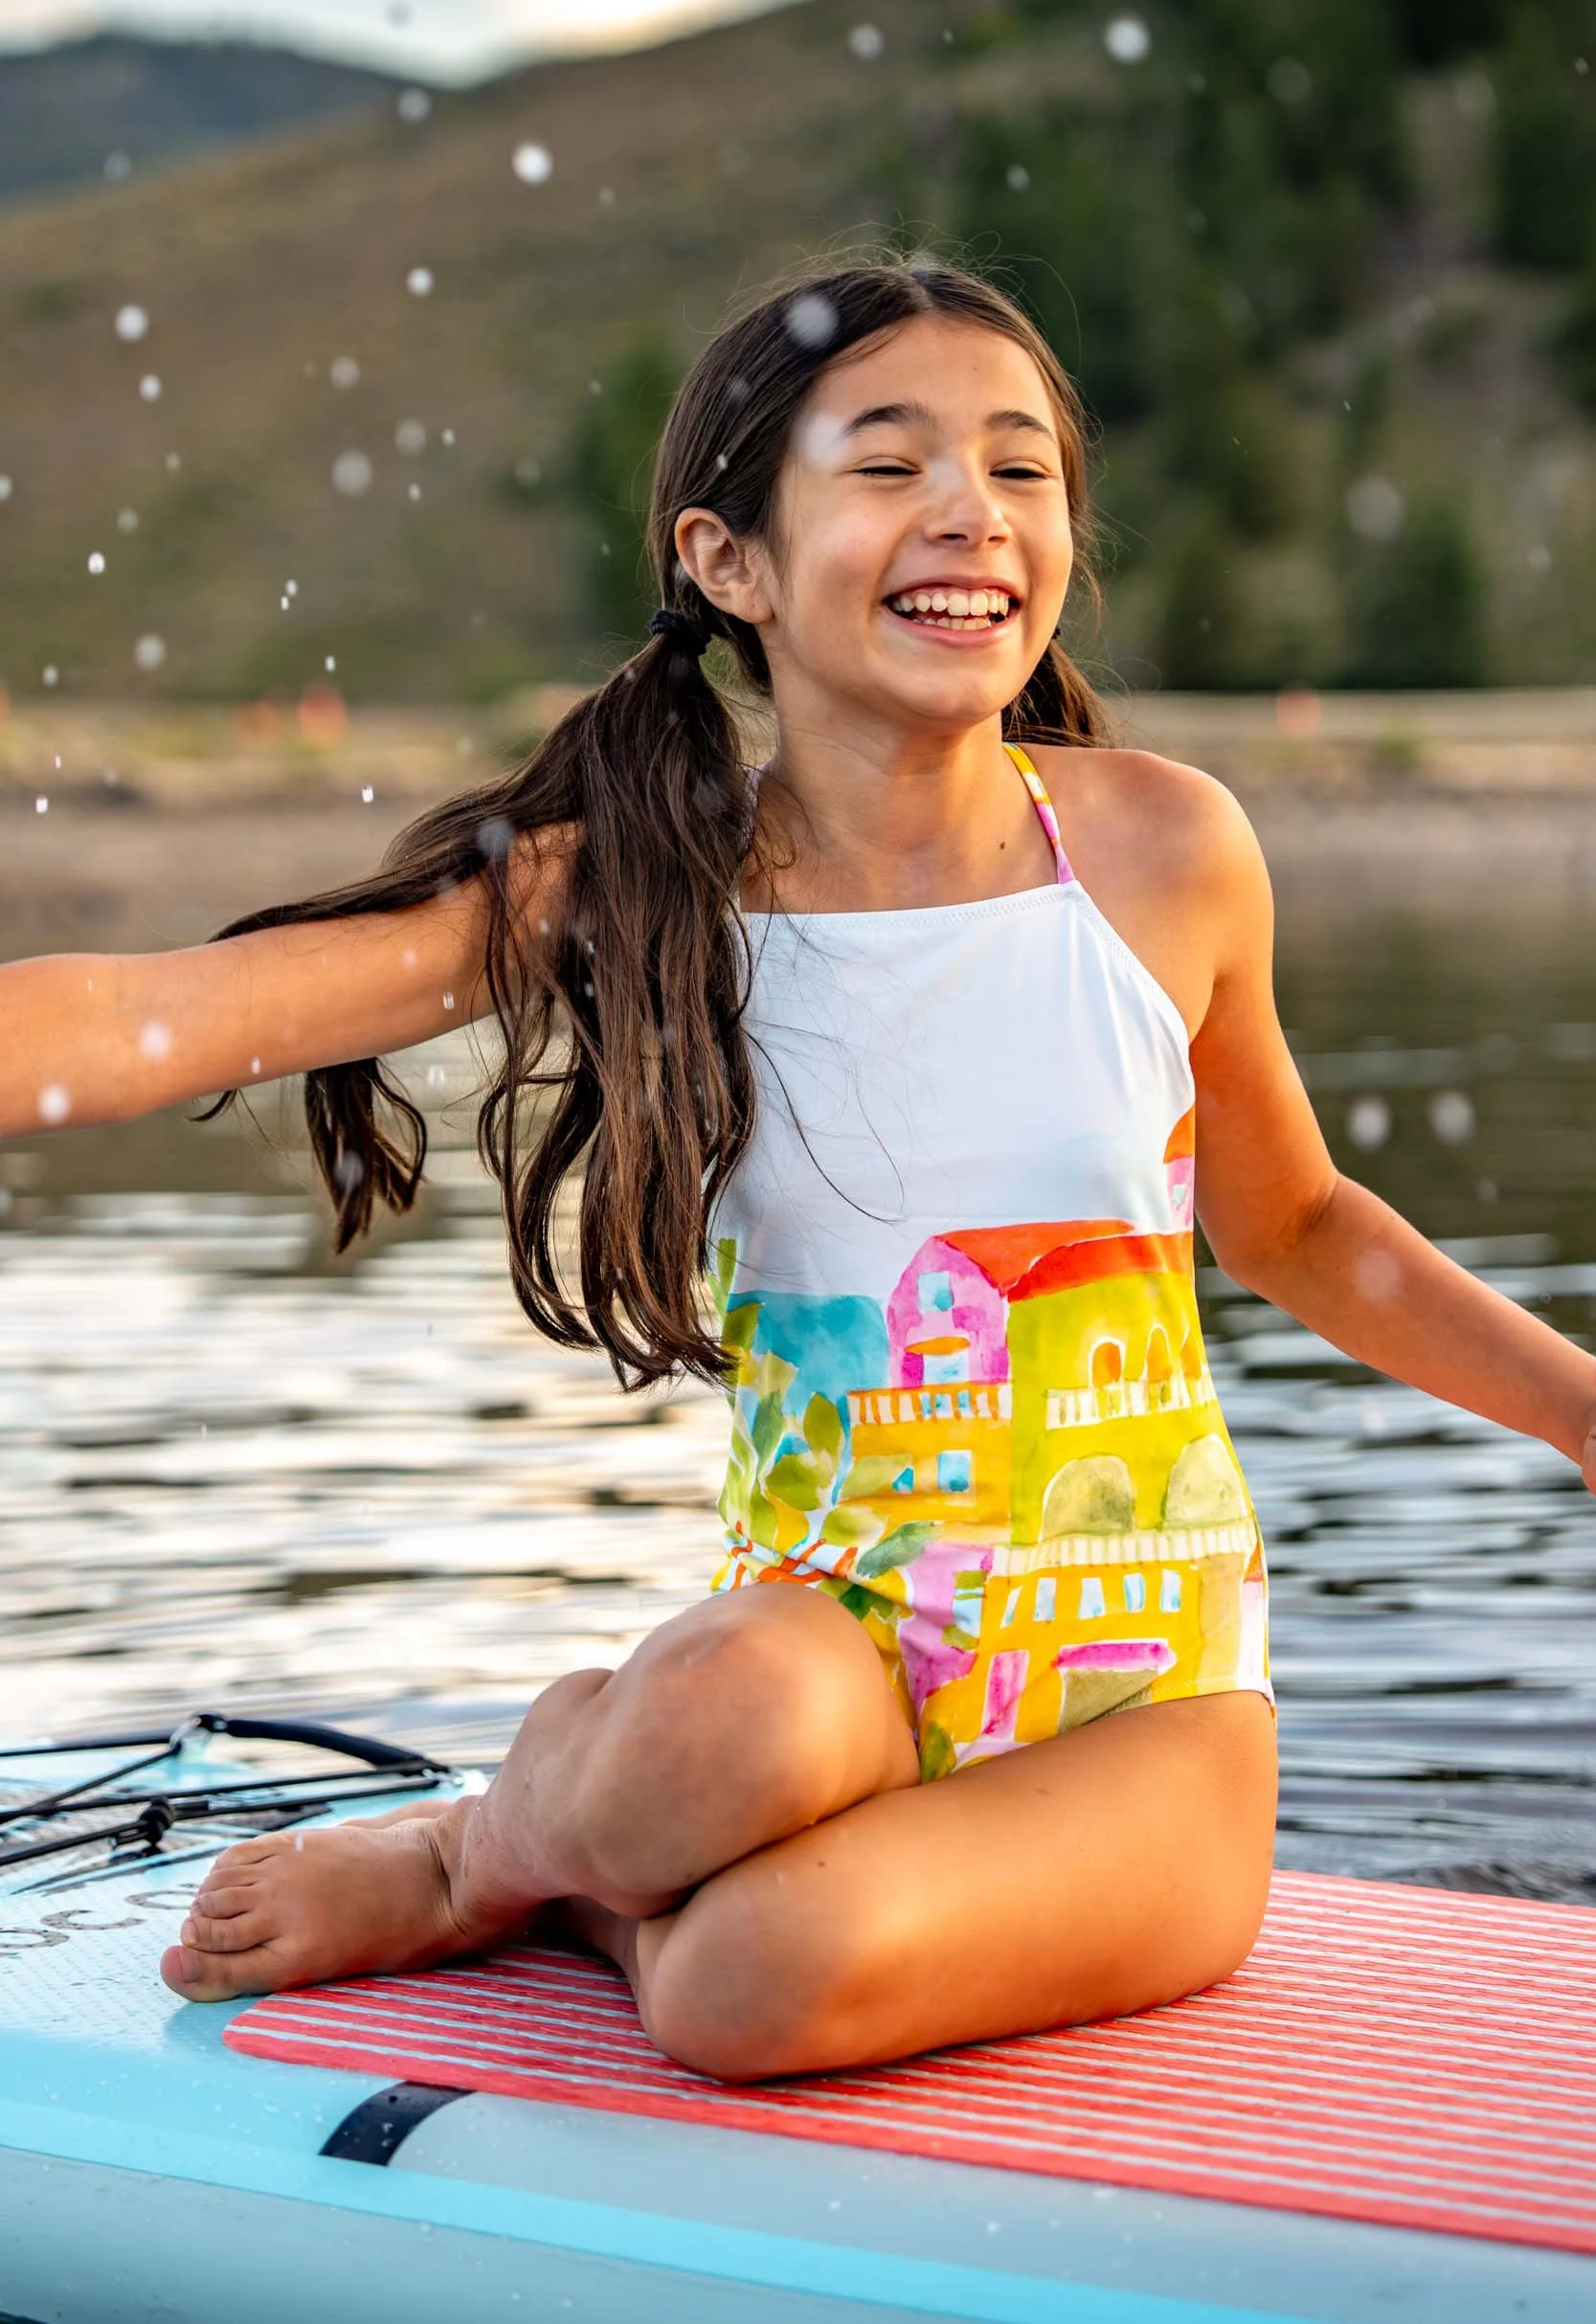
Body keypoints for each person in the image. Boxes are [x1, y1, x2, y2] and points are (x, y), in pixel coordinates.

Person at [5, 257, 1593, 2085]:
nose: (968, 514)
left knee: (746, 1989)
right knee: (725, 1736)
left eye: (1017, 467)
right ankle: (478, 1851)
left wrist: (1576, 1413)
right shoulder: (654, 892)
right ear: (728, 561)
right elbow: (176, 1007)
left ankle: (589, 1885)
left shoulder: (1163, 855)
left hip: (1149, 1708)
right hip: (820, 1647)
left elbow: (1299, 1223)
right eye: (889, 462)